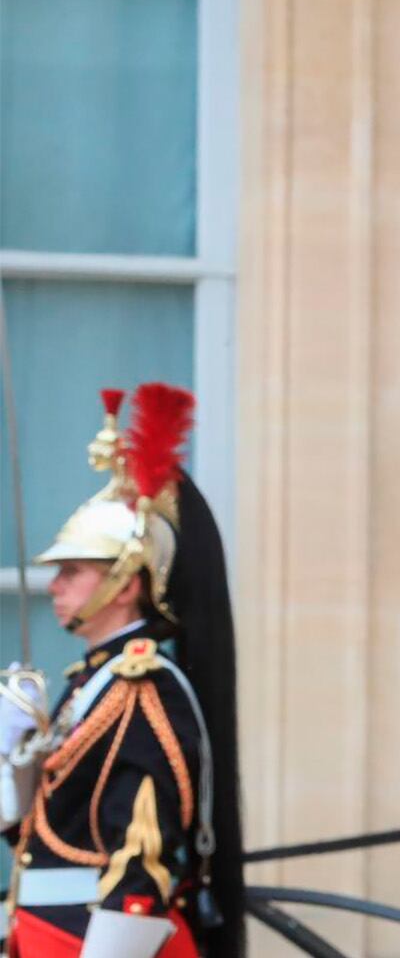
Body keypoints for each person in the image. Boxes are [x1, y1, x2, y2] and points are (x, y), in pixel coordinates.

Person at [0, 385, 246, 958]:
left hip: (90, 939)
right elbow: (42, 835)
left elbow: (142, 856)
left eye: (73, 571)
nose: (55, 586)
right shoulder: (92, 683)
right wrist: (11, 764)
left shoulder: (140, 686)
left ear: (127, 583)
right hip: (44, 932)